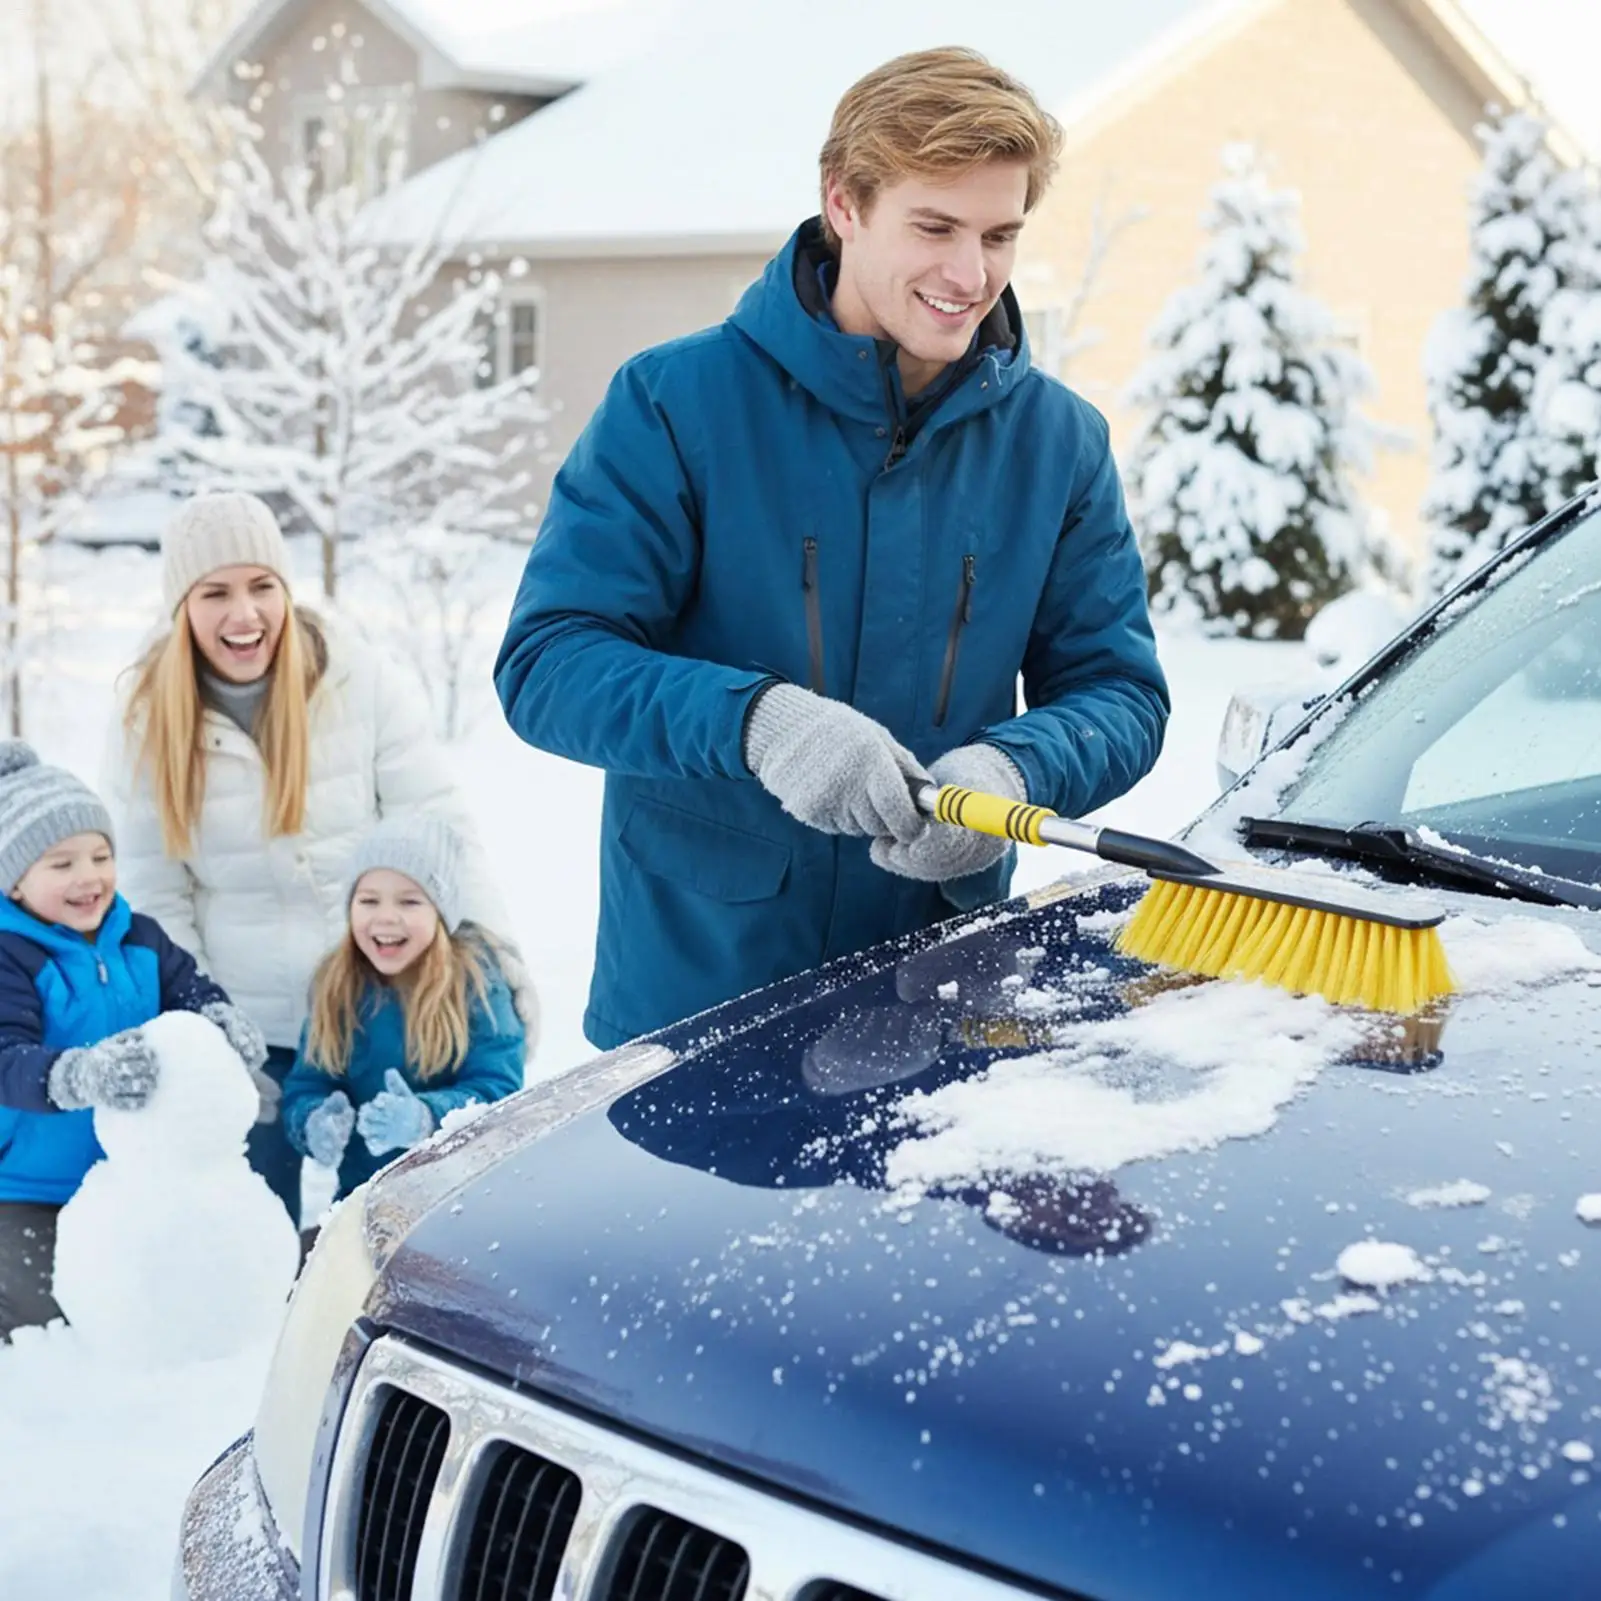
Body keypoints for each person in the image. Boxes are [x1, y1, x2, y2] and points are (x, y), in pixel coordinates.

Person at [495, 47, 1169, 1050]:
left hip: (939, 988)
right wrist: (757, 723)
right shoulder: (676, 404)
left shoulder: (1056, 442)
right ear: (843, 204)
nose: (970, 274)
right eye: (933, 227)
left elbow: (1120, 694)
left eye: (997, 235)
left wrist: (1011, 770)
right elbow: (550, 663)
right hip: (697, 993)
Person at [107, 491, 537, 1225]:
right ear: (182, 606)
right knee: (254, 1233)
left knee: (391, 1221)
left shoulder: (354, 679)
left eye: (261, 586)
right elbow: (157, 894)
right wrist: (211, 1030)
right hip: (250, 1024)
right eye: (215, 593)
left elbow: (439, 829)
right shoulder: (148, 717)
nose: (245, 614)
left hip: (379, 1012)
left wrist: (497, 958)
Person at [0, 742, 268, 1339]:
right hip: (28, 1187)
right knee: (50, 1329)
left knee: (158, 1315)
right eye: (61, 864)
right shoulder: (9, 956)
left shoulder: (139, 937)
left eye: (101, 856)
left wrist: (221, 1021)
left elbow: (190, 989)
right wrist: (79, 1075)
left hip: (134, 1177)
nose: (89, 877)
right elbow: (5, 1059)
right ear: (14, 883)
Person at [280, 816, 525, 1200]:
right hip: (362, 1197)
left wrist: (427, 1117)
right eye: (368, 900)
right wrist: (313, 1120)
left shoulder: (476, 983)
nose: (386, 916)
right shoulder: (336, 985)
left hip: (456, 1197)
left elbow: (498, 1091)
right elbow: (307, 1082)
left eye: (409, 901)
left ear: (441, 912)